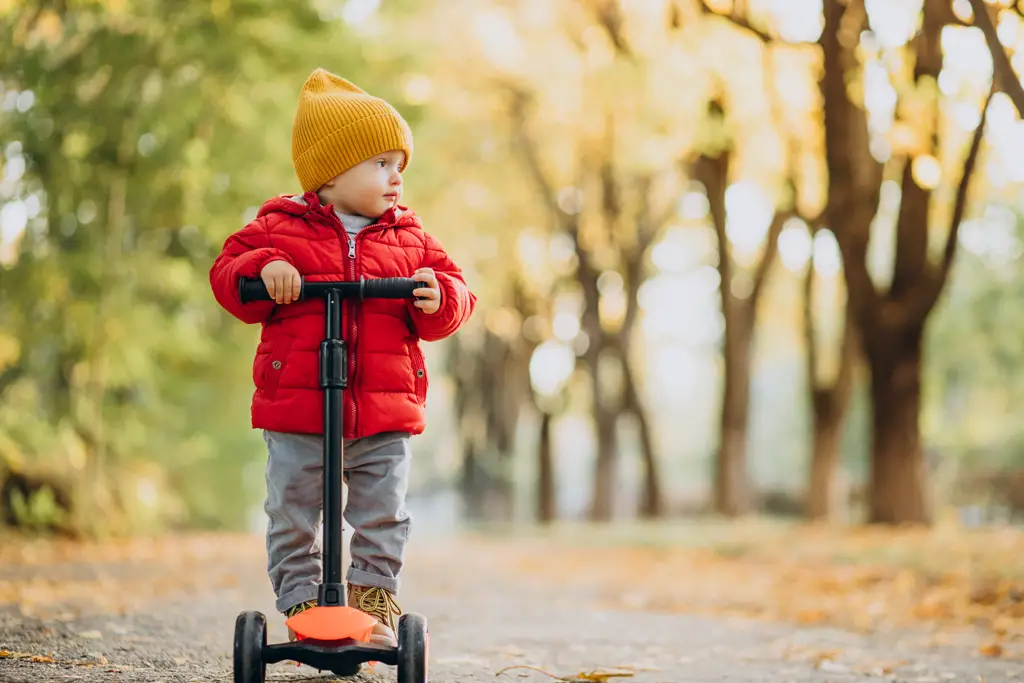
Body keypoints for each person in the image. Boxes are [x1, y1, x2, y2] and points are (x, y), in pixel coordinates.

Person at [209, 68, 476, 645]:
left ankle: (373, 597)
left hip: (383, 413)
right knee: (292, 510)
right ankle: (302, 600)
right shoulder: (277, 228)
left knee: (384, 512)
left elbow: (457, 294)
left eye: (400, 165)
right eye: (381, 163)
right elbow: (228, 275)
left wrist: (438, 295)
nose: (396, 178)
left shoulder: (412, 240)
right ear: (330, 172)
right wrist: (264, 270)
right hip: (299, 408)